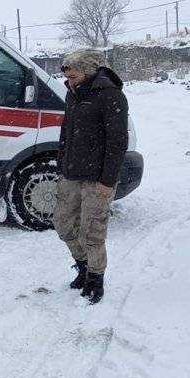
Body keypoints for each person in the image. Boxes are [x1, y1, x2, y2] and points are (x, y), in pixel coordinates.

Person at [53, 49, 129, 304]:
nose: (69, 81)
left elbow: (117, 142)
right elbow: (66, 131)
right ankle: (83, 266)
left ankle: (96, 279)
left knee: (92, 231)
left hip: (97, 177)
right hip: (71, 172)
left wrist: (108, 181)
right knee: (63, 224)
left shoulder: (111, 96)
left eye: (73, 75)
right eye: (67, 76)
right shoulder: (73, 92)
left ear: (88, 71)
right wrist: (61, 164)